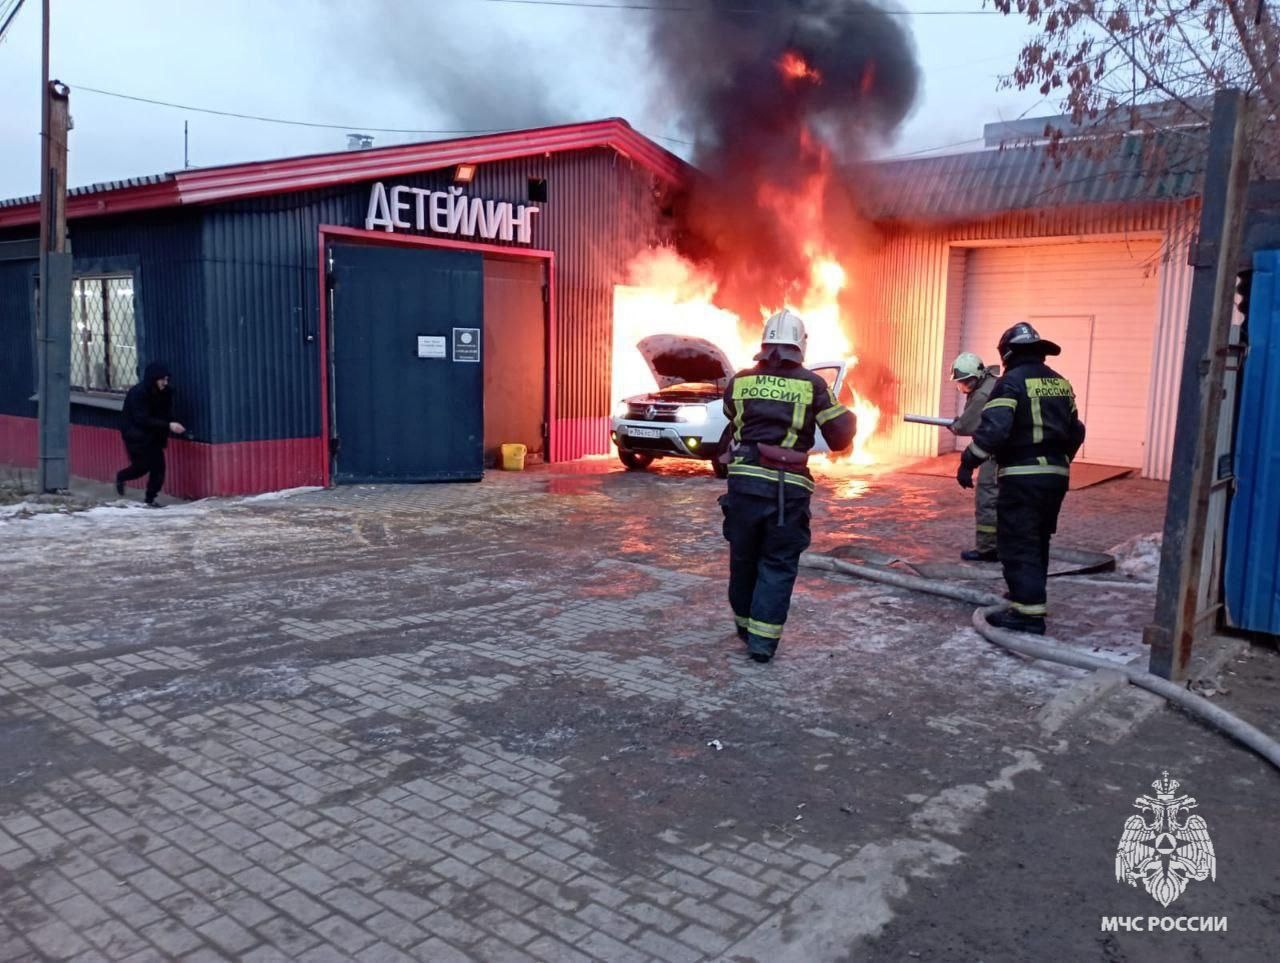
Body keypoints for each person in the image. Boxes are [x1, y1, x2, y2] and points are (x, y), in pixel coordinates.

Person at [720, 309, 856, 663]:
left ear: (764, 344)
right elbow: (840, 436)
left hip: (744, 485)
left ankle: (745, 626)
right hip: (786, 491)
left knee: (743, 557)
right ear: (800, 346)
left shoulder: (740, 381)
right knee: (777, 563)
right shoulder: (813, 385)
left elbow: (732, 421)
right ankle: (762, 643)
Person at [957, 323, 1086, 635]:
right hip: (1055, 476)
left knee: (1017, 542)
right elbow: (1076, 430)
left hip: (1022, 476)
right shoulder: (1060, 383)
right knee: (1038, 539)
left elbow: (995, 430)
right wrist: (1059, 460)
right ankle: (1025, 597)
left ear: (1008, 353)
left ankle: (1028, 614)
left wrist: (968, 461)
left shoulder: (1010, 382)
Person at [947, 352, 1001, 562]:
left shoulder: (981, 395)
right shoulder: (992, 382)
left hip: (995, 453)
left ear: (976, 377)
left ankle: (987, 549)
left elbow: (967, 425)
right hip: (1010, 450)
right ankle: (1005, 543)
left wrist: (955, 425)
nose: (963, 387)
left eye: (965, 382)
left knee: (987, 497)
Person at [115, 362, 185, 507]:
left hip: (154, 436)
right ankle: (121, 476)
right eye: (162, 380)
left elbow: (167, 413)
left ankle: (150, 499)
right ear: (153, 379)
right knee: (142, 467)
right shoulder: (138, 393)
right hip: (136, 436)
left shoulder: (166, 393)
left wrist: (173, 423)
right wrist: (169, 425)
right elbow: (142, 419)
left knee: (159, 468)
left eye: (167, 379)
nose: (165, 383)